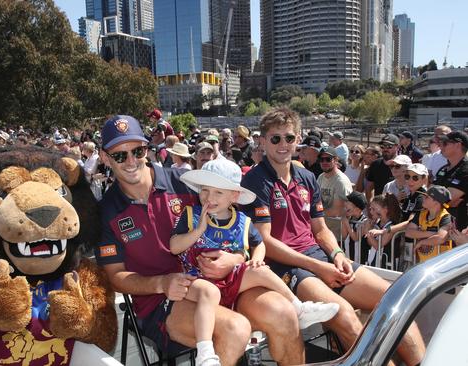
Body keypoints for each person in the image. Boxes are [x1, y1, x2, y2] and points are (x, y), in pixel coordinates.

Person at [95, 115, 305, 366]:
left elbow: (232, 222)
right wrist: (161, 283)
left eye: (138, 151)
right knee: (234, 329)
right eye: (120, 155)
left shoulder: (184, 184)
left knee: (284, 313)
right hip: (162, 300)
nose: (131, 161)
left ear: (147, 149)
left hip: (221, 280)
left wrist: (236, 257)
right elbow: (115, 276)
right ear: (104, 157)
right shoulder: (104, 212)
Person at [241, 107, 425, 365]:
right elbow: (265, 242)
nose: (283, 144)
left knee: (395, 298)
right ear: (262, 141)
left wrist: (337, 254)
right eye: (275, 138)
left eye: (289, 138)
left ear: (298, 139)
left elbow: (320, 229)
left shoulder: (306, 177)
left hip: (319, 257)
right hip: (287, 268)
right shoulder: (254, 182)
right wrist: (319, 266)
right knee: (345, 315)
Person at [170, 159, 339, 365]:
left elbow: (259, 244)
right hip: (198, 280)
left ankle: (298, 307)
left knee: (263, 271)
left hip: (232, 280)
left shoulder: (243, 221)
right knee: (209, 292)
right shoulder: (191, 215)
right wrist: (197, 231)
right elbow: (174, 246)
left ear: (234, 196)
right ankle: (205, 352)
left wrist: (257, 260)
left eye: (218, 192)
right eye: (205, 190)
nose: (209, 197)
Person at [405, 185, 454, 263]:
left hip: (440, 265)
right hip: (422, 264)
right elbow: (408, 232)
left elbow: (441, 238)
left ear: (436, 202)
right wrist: (432, 233)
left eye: (427, 197)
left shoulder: (445, 217)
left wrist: (422, 242)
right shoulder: (421, 214)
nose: (423, 198)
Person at [316, 147, 353, 242]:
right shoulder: (321, 177)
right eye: (321, 159)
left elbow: (336, 211)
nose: (324, 162)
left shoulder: (341, 181)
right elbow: (316, 200)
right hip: (324, 231)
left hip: (338, 235)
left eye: (328, 159)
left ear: (336, 160)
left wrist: (313, 212)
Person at [434, 131, 468, 231]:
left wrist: (443, 202)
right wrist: (447, 203)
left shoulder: (465, 170)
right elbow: (430, 196)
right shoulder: (443, 169)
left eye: (445, 143)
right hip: (438, 227)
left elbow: (447, 199)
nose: (440, 146)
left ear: (458, 145)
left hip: (459, 229)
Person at [365, 194, 402, 267]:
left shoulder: (392, 226)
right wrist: (370, 229)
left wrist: (367, 230)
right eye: (370, 209)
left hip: (387, 264)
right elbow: (370, 243)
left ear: (386, 209)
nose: (371, 212)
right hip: (375, 260)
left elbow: (378, 246)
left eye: (374, 209)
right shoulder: (377, 223)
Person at [365, 134, 400, 202]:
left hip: (398, 208)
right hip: (379, 209)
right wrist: (370, 205)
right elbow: (369, 187)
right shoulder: (375, 164)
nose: (385, 149)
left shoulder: (403, 164)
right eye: (383, 146)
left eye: (389, 146)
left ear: (397, 147)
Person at [341, 192, 370, 264]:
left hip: (360, 259)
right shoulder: (348, 219)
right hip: (348, 256)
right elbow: (344, 236)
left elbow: (356, 238)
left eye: (348, 203)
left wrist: (347, 223)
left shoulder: (365, 221)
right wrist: (344, 222)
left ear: (357, 209)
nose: (345, 204)